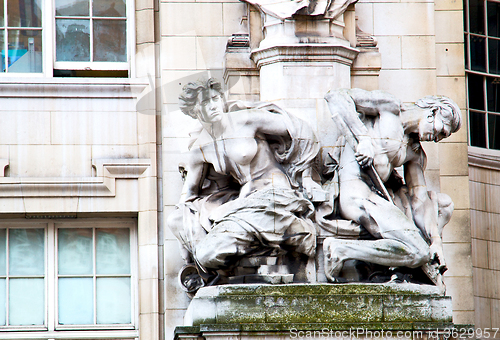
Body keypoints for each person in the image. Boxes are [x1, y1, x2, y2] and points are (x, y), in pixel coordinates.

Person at [167, 78, 319, 278]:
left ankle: (300, 232)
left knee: (209, 252)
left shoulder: (246, 120)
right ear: (194, 111)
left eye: (215, 99)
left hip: (272, 191)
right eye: (205, 103)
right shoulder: (199, 149)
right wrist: (183, 235)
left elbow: (302, 132)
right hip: (241, 202)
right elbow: (188, 195)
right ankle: (268, 241)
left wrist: (306, 175)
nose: (213, 106)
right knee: (180, 224)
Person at [323, 88, 462, 283]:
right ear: (433, 113)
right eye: (442, 131)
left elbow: (419, 200)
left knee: (419, 250)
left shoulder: (415, 153)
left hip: (379, 199)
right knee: (417, 252)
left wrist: (435, 240)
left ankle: (340, 249)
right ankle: (338, 250)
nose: (437, 138)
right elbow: (336, 96)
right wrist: (363, 138)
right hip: (356, 192)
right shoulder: (391, 108)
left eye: (442, 137)